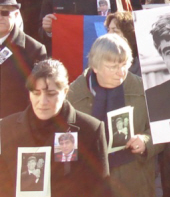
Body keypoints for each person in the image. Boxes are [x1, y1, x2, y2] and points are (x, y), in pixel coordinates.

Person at [67, 34, 162, 197]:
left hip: (134, 182)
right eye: (112, 67)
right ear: (95, 67)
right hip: (88, 182)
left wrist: (146, 141)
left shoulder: (144, 89)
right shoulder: (73, 95)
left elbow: (163, 129)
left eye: (124, 65)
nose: (121, 72)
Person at [0, 59, 110, 196]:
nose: (43, 101)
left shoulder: (90, 129)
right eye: (36, 93)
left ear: (65, 91)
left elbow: (101, 189)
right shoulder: (6, 128)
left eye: (51, 94)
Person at [0, 0, 47, 118]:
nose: (0, 17)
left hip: (15, 124)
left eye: (4, 12)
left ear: (15, 14)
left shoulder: (35, 50)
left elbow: (40, 93)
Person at [104, 11, 141, 76]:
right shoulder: (99, 58)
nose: (109, 34)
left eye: (115, 31)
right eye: (108, 30)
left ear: (129, 35)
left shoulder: (141, 65)